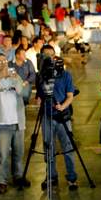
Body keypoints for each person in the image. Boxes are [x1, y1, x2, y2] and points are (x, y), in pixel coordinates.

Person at [0, 53, 28, 194]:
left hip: (18, 121)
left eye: (4, 60)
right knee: (3, 154)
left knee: (18, 153)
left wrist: (15, 79)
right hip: (2, 122)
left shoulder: (15, 75)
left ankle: (18, 176)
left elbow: (22, 92)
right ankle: (1, 180)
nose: (3, 63)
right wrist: (0, 76)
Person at [38, 56, 79, 190]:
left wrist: (63, 106)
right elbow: (39, 96)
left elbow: (70, 95)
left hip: (63, 117)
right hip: (47, 116)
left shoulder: (66, 75)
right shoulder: (43, 75)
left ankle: (72, 178)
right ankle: (51, 176)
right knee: (48, 148)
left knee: (68, 147)